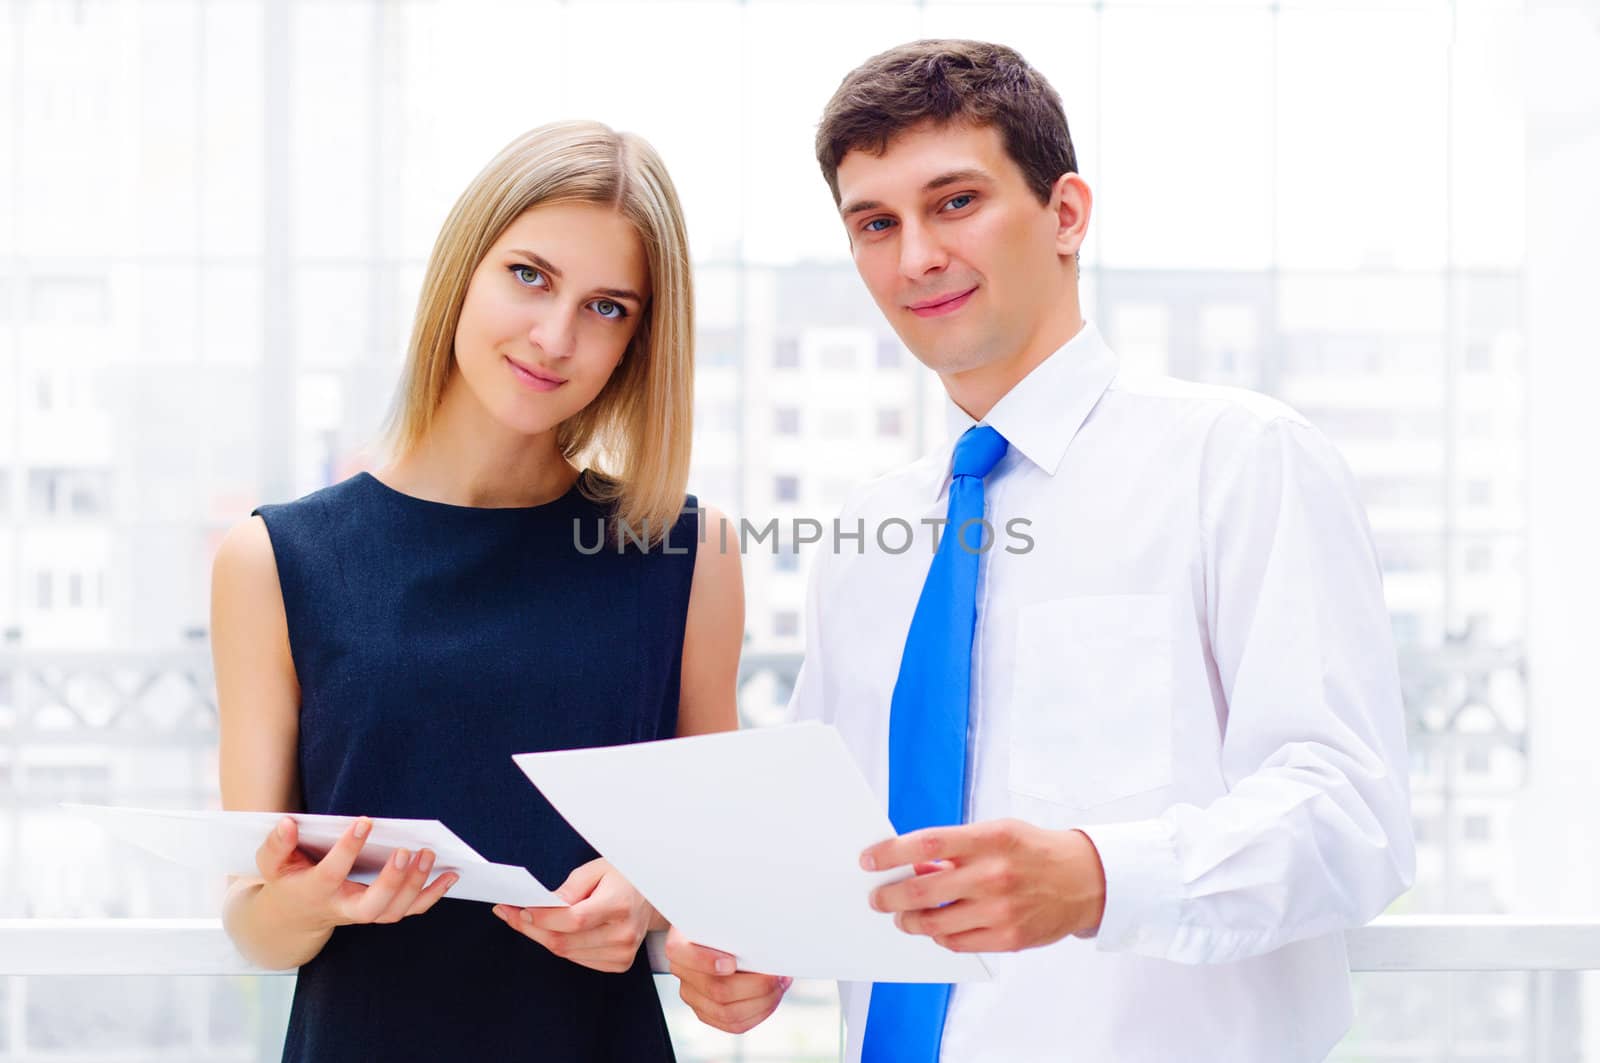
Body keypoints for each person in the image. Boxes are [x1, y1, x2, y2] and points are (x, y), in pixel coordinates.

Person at [667, 39, 1413, 1062]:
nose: (915, 257)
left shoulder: (1239, 462)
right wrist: (750, 941)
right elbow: (837, 849)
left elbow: (1348, 818)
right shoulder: (872, 537)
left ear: (1065, 214)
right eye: (875, 223)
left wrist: (1098, 875)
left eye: (955, 202)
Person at [211, 120, 742, 1062]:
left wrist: (647, 888)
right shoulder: (272, 560)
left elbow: (717, 848)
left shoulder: (687, 553)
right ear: (464, 269)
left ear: (638, 340)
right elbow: (253, 921)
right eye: (530, 275)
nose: (554, 335)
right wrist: (309, 898)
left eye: (607, 306)